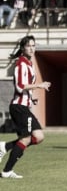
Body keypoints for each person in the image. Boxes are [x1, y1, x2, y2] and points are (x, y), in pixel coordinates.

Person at [0, 35, 51, 178]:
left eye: (34, 45)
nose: (32, 48)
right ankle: (7, 171)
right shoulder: (21, 63)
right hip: (18, 107)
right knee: (26, 138)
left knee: (39, 137)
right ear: (22, 48)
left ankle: (6, 147)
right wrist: (39, 85)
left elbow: (25, 89)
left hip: (24, 106)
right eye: (29, 45)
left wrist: (31, 98)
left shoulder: (29, 63)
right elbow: (20, 86)